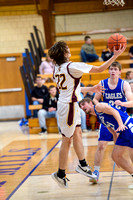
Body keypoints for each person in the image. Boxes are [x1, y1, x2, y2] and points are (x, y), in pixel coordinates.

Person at [48, 40, 126, 188]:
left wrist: (91, 89)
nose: (70, 50)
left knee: (77, 133)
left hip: (69, 104)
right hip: (68, 107)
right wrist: (115, 56)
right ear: (64, 53)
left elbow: (71, 88)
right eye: (67, 48)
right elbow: (100, 69)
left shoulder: (57, 67)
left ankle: (82, 164)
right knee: (67, 140)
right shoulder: (73, 66)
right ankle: (60, 173)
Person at [90, 61, 133, 183]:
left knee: (130, 148)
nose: (113, 71)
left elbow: (132, 101)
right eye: (111, 69)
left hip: (121, 120)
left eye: (115, 69)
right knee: (101, 145)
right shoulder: (102, 83)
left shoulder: (124, 84)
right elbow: (94, 99)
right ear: (108, 71)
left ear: (120, 72)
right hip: (108, 119)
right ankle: (96, 172)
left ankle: (126, 165)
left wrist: (123, 103)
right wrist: (100, 108)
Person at [79, 97, 133, 189]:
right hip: (123, 131)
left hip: (127, 125)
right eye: (81, 107)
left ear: (90, 103)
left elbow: (114, 111)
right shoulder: (99, 117)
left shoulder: (99, 106)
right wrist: (118, 158)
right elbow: (113, 132)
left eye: (84, 104)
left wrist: (120, 124)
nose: (82, 107)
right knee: (115, 156)